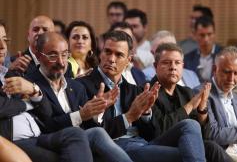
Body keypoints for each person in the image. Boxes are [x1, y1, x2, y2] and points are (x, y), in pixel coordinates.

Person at [78, 30, 208, 162]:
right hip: (116, 146)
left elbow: (152, 134)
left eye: (119, 55)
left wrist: (146, 114)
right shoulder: (81, 85)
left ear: (128, 60)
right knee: (187, 154)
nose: (111, 59)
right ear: (101, 53)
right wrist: (129, 117)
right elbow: (92, 134)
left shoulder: (133, 89)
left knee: (190, 125)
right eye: (108, 52)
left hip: (143, 144)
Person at [27, 32, 134, 162]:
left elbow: (89, 126)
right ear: (38, 56)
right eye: (53, 55)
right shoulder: (30, 85)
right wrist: (81, 115)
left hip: (80, 142)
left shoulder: (76, 86)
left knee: (96, 133)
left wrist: (96, 112)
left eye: (65, 54)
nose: (61, 62)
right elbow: (45, 125)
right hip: (49, 140)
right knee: (96, 134)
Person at [0, 19, 93, 162]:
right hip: (13, 139)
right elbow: (3, 106)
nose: (2, 46)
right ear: (38, 56)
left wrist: (35, 92)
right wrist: (28, 103)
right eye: (53, 55)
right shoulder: (26, 74)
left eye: (5, 40)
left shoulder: (10, 74)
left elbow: (46, 111)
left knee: (80, 135)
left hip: (38, 136)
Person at [150, 42, 234, 162]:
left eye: (177, 63)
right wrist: (189, 106)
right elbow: (159, 129)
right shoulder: (147, 92)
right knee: (191, 127)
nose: (173, 67)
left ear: (182, 66)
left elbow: (202, 134)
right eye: (166, 62)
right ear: (155, 65)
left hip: (186, 143)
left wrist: (202, 109)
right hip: (158, 145)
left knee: (211, 147)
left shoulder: (186, 92)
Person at [184, 16, 222, 83]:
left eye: (209, 34)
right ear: (195, 35)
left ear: (214, 34)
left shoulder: (223, 55)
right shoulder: (187, 59)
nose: (206, 39)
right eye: (202, 35)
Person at [108, 22, 146, 86]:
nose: (122, 43)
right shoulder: (101, 72)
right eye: (118, 38)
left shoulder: (139, 74)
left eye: (127, 39)